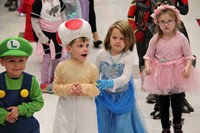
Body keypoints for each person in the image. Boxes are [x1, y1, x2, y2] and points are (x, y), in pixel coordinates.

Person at [142, 5, 200, 133]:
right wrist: (147, 67)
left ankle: (178, 125)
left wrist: (187, 66)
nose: (166, 24)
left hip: (177, 74)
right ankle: (165, 127)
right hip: (161, 74)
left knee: (177, 102)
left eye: (169, 21)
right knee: (163, 103)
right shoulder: (155, 39)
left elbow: (189, 55)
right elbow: (148, 56)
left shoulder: (181, 38)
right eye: (162, 21)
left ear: (176, 22)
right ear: (158, 23)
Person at [95, 20, 147, 133]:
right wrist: (95, 85)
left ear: (129, 40)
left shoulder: (127, 56)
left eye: (122, 38)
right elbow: (94, 73)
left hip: (123, 97)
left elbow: (125, 77)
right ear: (109, 37)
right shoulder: (102, 54)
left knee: (122, 125)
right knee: (103, 123)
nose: (117, 41)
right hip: (104, 96)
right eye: (114, 37)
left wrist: (110, 83)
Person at [52, 18, 100, 133]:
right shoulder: (61, 67)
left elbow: (97, 89)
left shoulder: (92, 68)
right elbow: (55, 88)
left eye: (87, 45)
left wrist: (83, 88)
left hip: (86, 112)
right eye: (80, 46)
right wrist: (68, 88)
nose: (85, 49)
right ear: (69, 48)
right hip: (65, 111)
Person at [149, 0, 194, 120]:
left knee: (177, 87)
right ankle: (158, 106)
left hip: (175, 24)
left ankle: (181, 100)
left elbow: (184, 9)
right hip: (154, 26)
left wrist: (171, 9)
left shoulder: (180, 35)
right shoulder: (156, 36)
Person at [0, 37, 44, 133]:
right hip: (2, 124)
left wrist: (20, 109)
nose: (17, 65)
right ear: (2, 62)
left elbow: (39, 102)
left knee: (34, 125)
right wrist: (3, 115)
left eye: (21, 60)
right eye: (11, 61)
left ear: (26, 60)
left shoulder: (31, 81)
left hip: (26, 124)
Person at [31, 0, 66, 93]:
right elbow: (34, 22)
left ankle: (54, 79)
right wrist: (42, 37)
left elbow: (63, 15)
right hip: (45, 35)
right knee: (47, 58)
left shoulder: (58, 1)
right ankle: (44, 83)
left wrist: (64, 30)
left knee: (58, 58)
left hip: (58, 34)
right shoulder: (38, 3)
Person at [127, 0, 157, 104]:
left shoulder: (156, 2)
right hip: (140, 34)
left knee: (154, 58)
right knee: (142, 57)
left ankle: (154, 83)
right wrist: (135, 31)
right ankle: (146, 83)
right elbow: (130, 17)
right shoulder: (136, 2)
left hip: (154, 33)